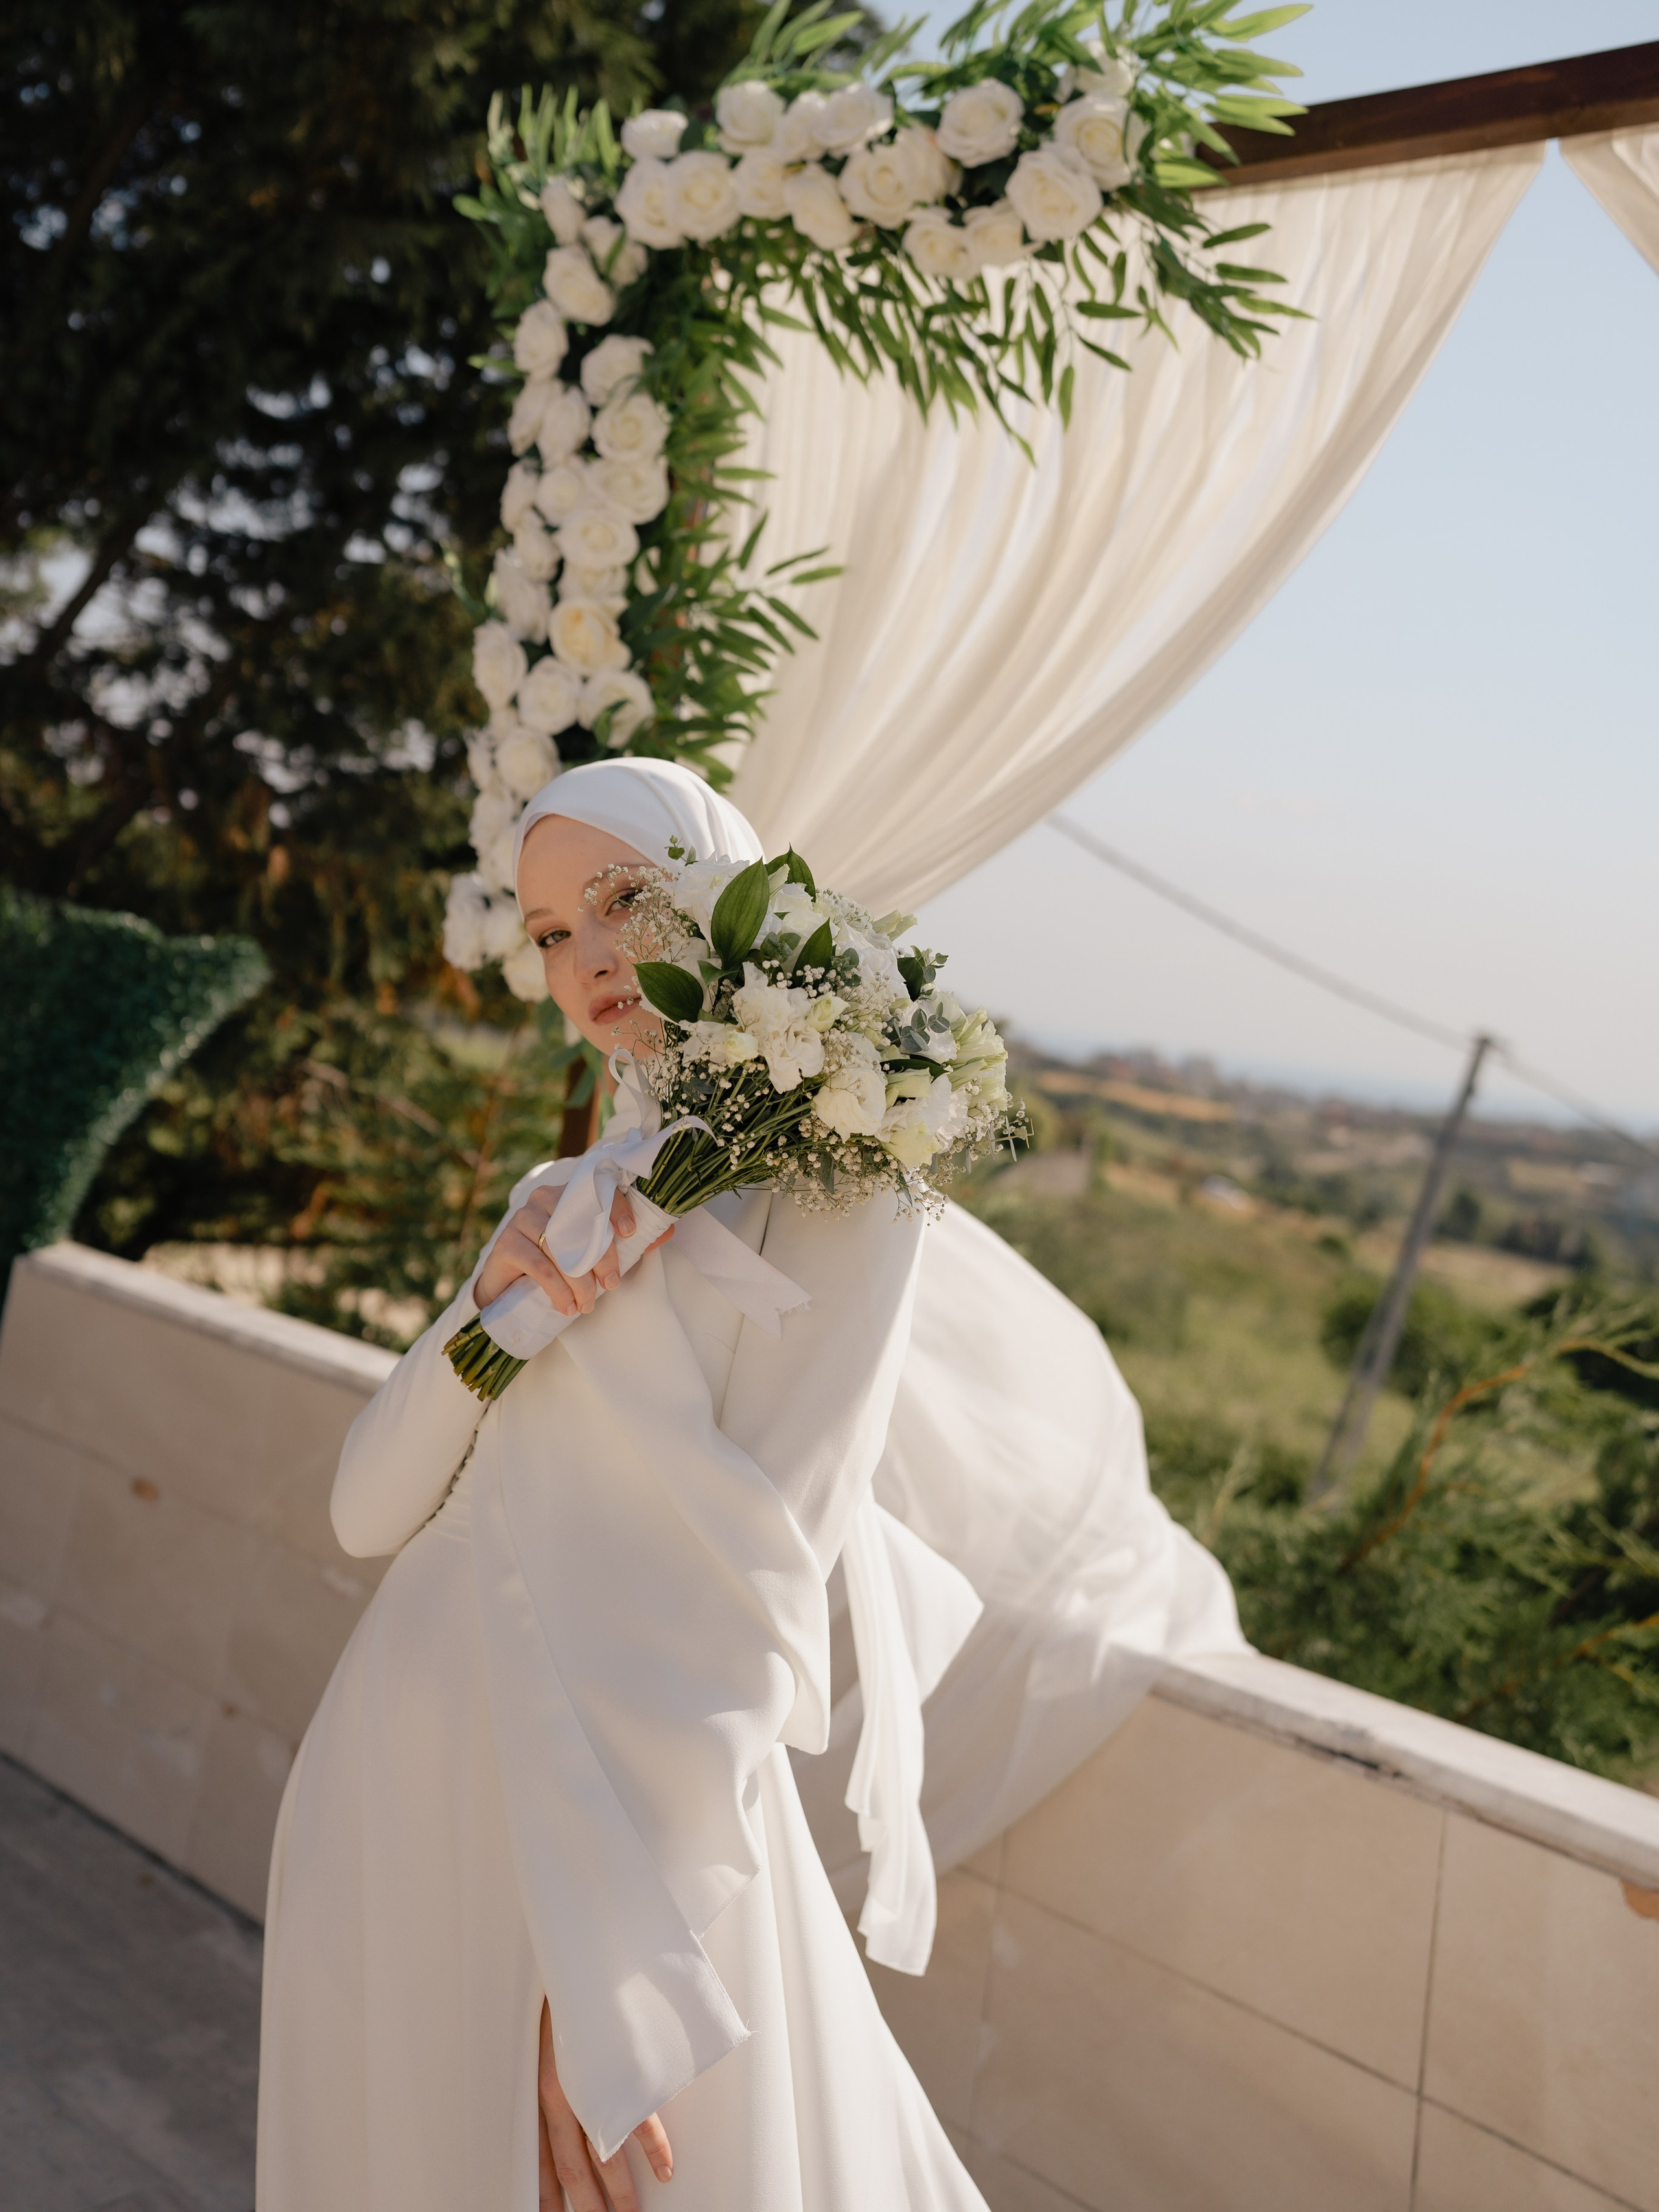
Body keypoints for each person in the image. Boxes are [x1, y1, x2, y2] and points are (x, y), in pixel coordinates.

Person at [257, 757, 1244, 2211]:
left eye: (623, 903)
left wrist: (606, 1981)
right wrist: (492, 1308)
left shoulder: (841, 1184)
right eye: (545, 934)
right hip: (398, 1799)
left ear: (725, 895)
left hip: (625, 1830)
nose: (585, 958)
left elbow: (755, 1591)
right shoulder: (569, 1191)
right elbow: (361, 1512)